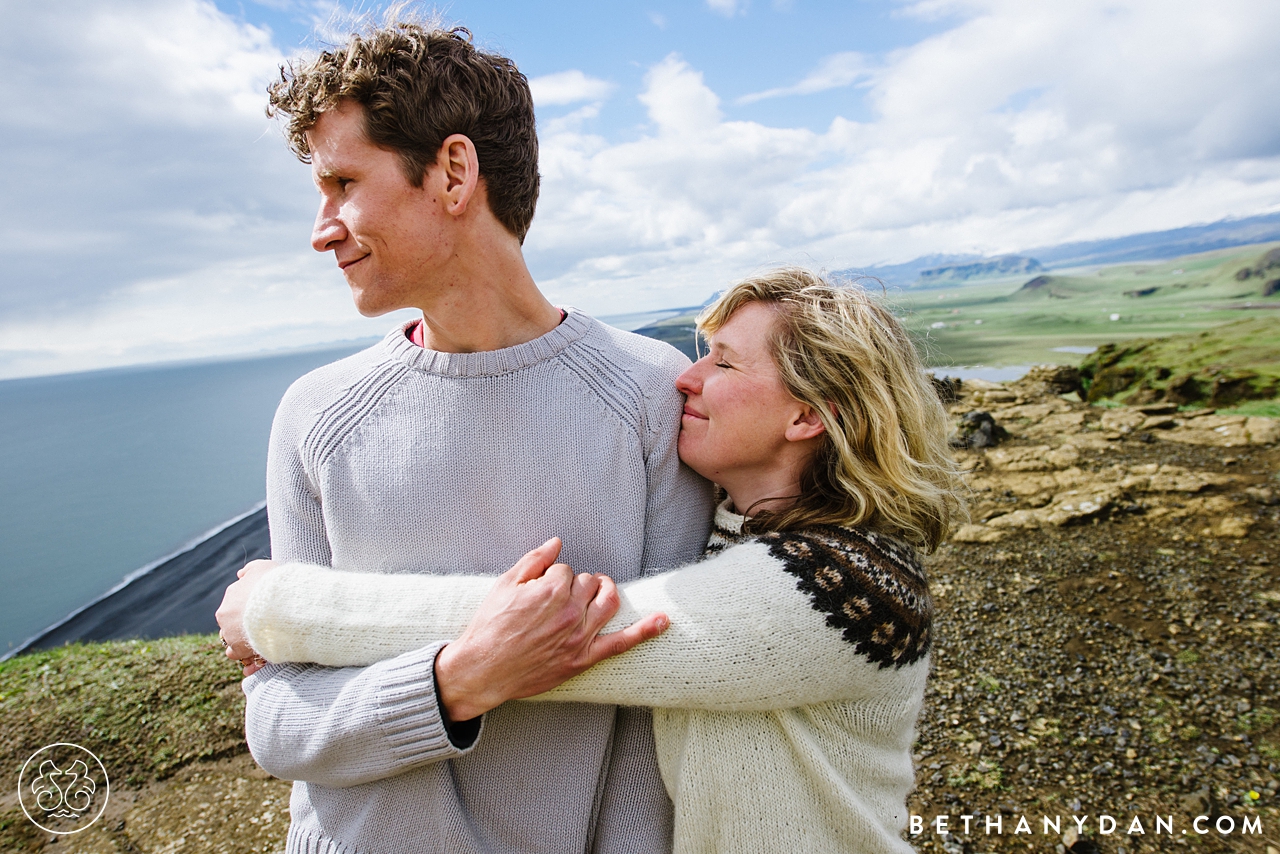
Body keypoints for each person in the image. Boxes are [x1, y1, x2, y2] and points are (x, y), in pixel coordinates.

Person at [219, 268, 968, 853]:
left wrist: (276, 607)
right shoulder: (747, 539)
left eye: (727, 366)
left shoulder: (842, 587)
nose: (687, 377)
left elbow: (562, 631)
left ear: (808, 415)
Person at [232, 16, 715, 854]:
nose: (322, 226)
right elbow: (277, 723)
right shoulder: (314, 415)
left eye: (342, 181)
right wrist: (457, 682)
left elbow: (656, 705)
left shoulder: (646, 392)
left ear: (454, 172)